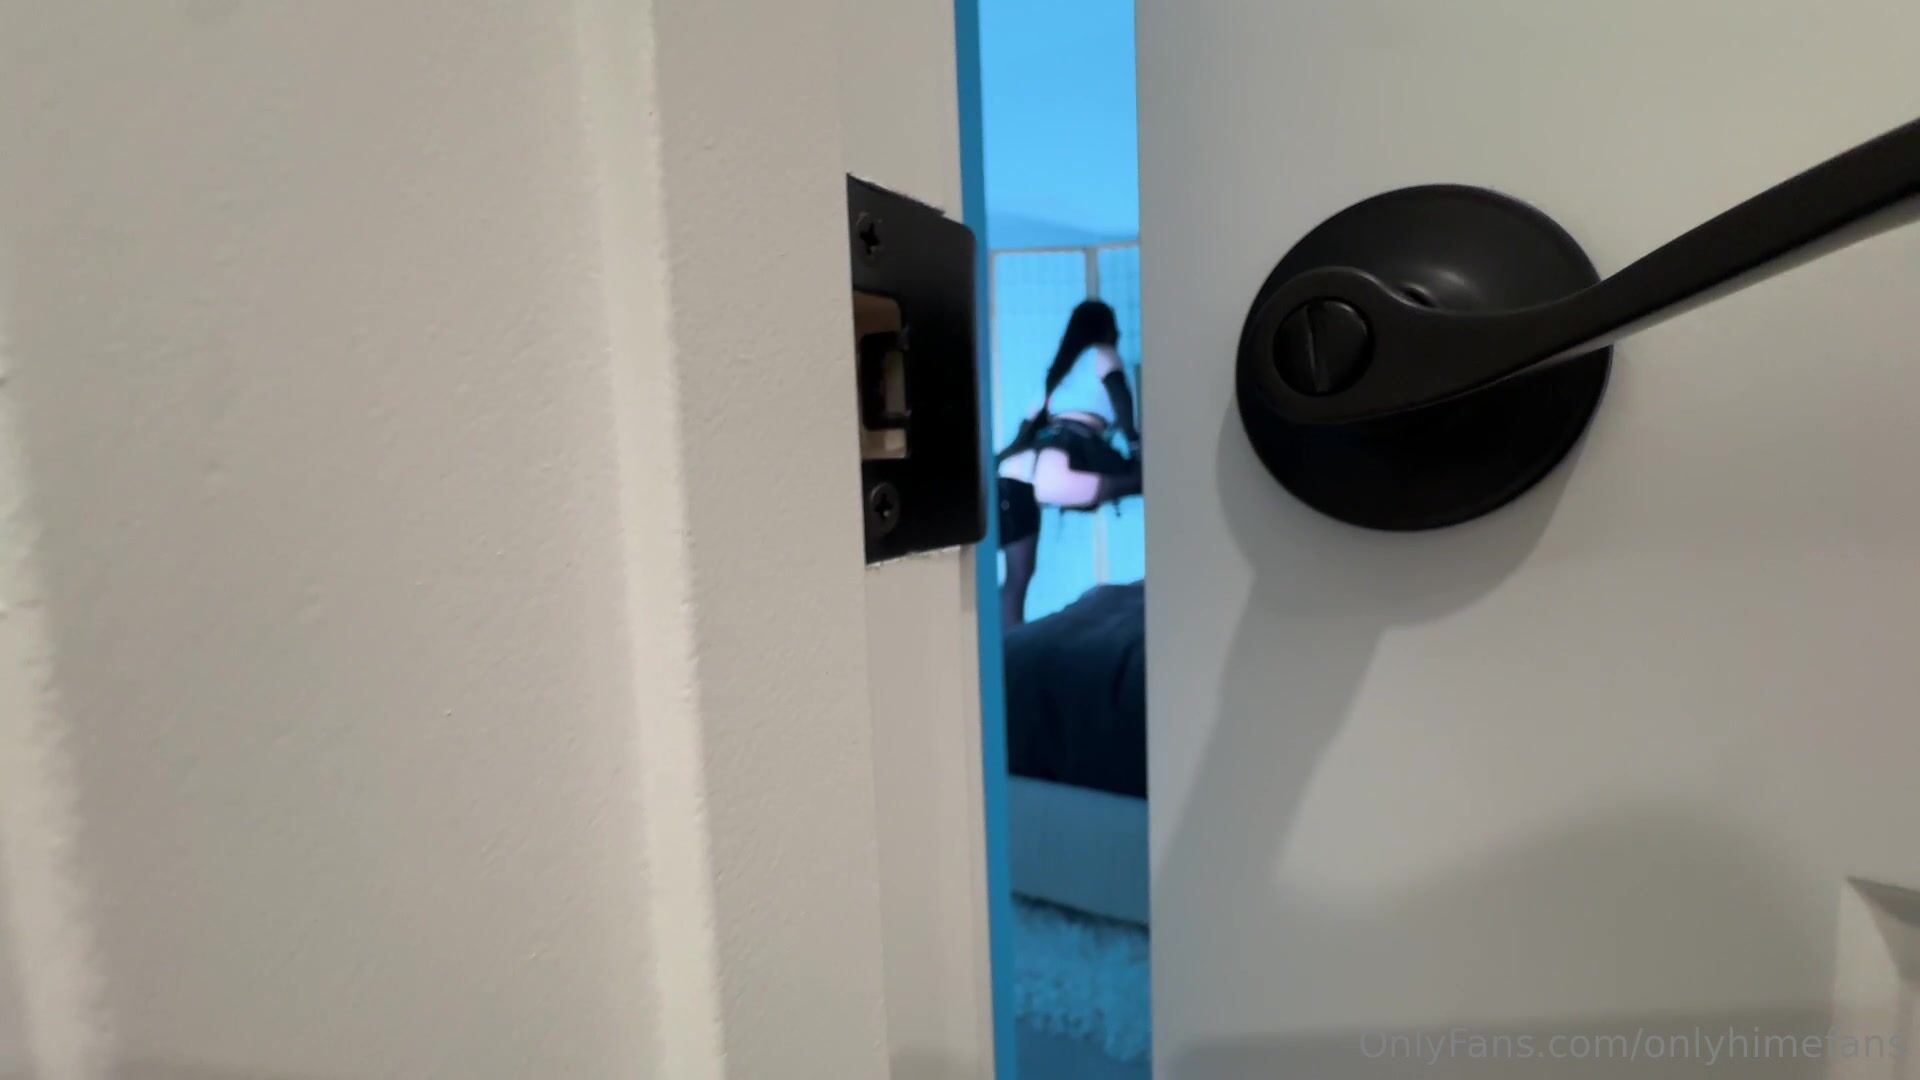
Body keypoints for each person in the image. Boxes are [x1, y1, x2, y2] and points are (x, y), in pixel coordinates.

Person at [995, 299, 1142, 627]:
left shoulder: (1056, 374)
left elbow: (1023, 433)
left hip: (1018, 471)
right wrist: (1136, 446)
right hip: (1061, 469)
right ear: (1105, 328)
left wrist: (992, 465)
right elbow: (1122, 405)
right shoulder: (1104, 354)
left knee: (1017, 579)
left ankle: (1008, 646)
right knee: (1145, 481)